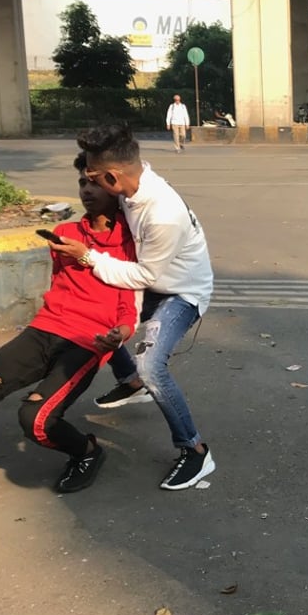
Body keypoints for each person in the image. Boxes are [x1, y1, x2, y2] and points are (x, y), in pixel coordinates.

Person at [0, 153, 138, 509]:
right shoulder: (65, 233)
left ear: (114, 187)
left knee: (36, 419)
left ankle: (87, 451)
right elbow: (62, 286)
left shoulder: (132, 242)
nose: (86, 191)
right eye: (82, 183)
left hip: (88, 341)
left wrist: (120, 333)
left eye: (95, 184)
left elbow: (128, 305)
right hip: (44, 328)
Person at [49, 124, 217, 491]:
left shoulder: (163, 213)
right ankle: (130, 382)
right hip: (152, 279)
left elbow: (143, 274)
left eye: (92, 178)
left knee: (152, 365)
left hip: (181, 293)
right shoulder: (131, 187)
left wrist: (87, 257)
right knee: (100, 318)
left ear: (111, 177)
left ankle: (195, 450)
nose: (88, 186)